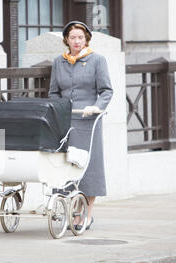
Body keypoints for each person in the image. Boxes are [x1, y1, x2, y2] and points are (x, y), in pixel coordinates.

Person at [48, 21, 113, 231]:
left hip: (88, 121)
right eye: (73, 37)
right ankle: (69, 209)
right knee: (66, 165)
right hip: (66, 122)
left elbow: (106, 91)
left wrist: (96, 107)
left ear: (86, 40)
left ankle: (86, 213)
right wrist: (58, 109)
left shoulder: (97, 60)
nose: (77, 41)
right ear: (66, 40)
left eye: (80, 38)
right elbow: (54, 92)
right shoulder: (59, 62)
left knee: (88, 167)